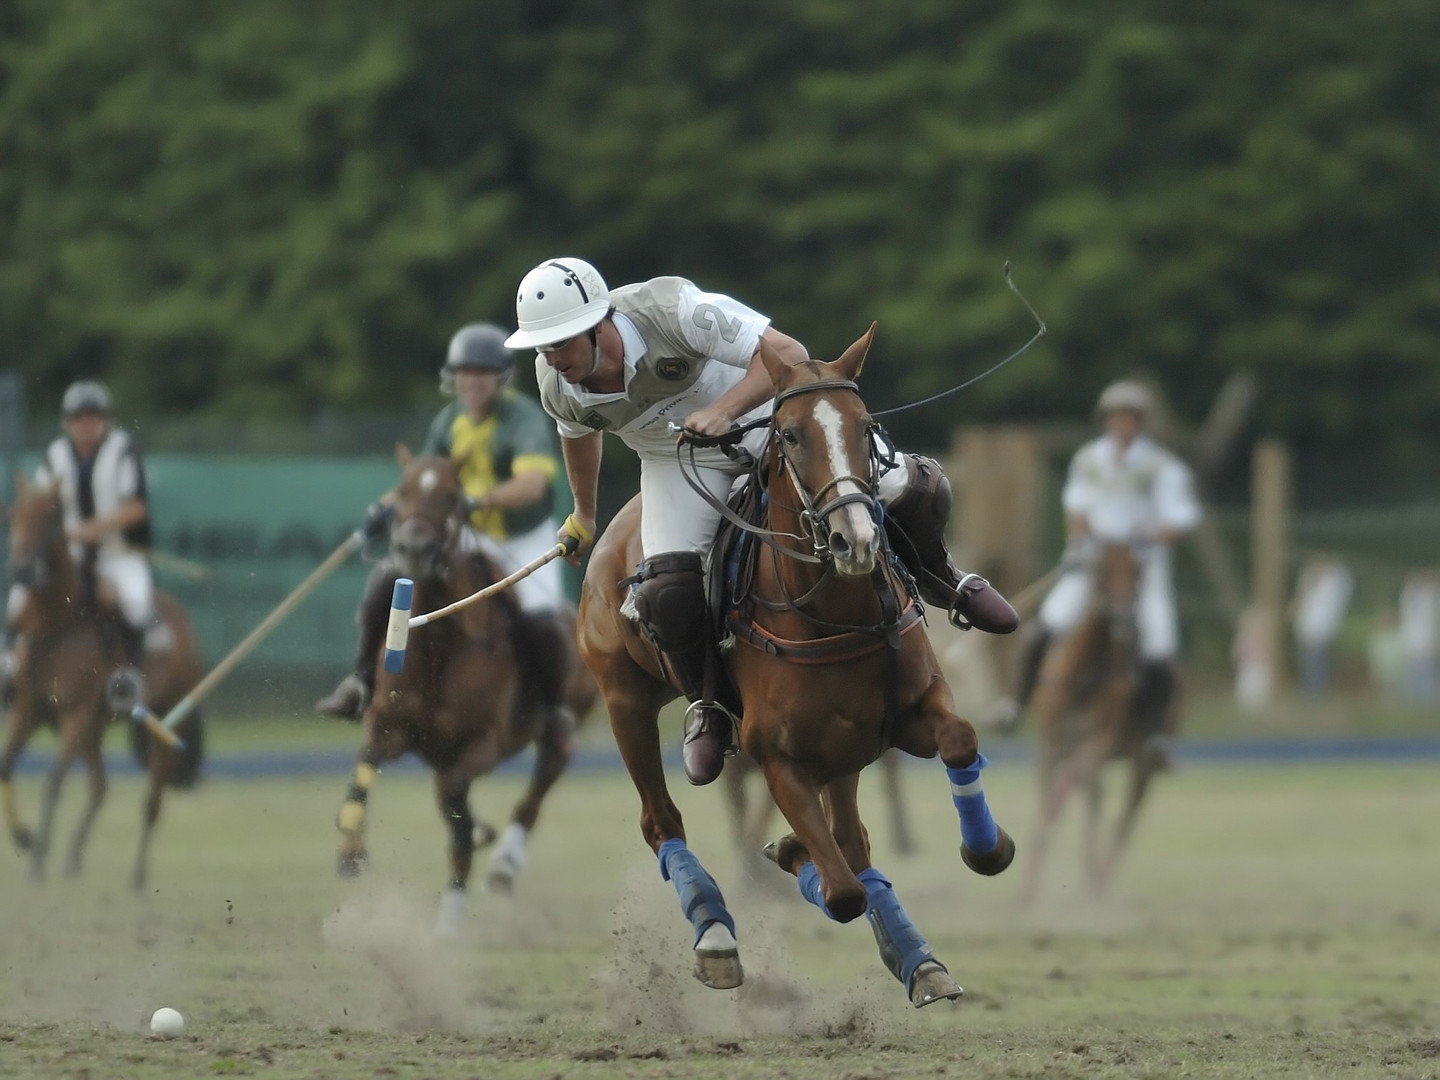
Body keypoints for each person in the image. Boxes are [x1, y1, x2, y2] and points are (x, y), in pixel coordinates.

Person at [503, 257, 1018, 787]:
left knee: (915, 488)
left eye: (563, 341)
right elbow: (579, 432)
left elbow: (790, 355)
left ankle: (945, 580)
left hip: (769, 420)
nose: (553, 356)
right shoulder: (555, 381)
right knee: (666, 595)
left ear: (599, 323)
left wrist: (725, 410)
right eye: (543, 346)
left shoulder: (672, 310)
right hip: (676, 458)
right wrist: (584, 516)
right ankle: (709, 704)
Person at [316, 323, 572, 720]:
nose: (473, 380)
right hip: (465, 536)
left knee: (542, 622)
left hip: (523, 537)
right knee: (386, 583)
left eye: (483, 372)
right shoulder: (449, 420)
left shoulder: (522, 419)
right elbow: (420, 480)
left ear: (501, 377)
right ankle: (362, 681)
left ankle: (554, 713)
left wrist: (480, 499)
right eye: (465, 372)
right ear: (453, 377)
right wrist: (384, 510)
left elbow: (532, 485)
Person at [993, 380, 1201, 757]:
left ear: (1140, 422)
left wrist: (1142, 539)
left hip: (1142, 571)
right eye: (1117, 417)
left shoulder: (1162, 467)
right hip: (1090, 565)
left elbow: (1178, 521)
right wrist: (1082, 541)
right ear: (1107, 420)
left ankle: (1157, 733)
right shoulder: (1088, 460)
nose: (1123, 424)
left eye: (1130, 417)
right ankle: (1016, 704)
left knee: (1159, 643)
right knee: (1047, 624)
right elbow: (1076, 510)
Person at [2, 381, 154, 709]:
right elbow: (40, 500)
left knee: (136, 601)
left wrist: (93, 528)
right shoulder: (56, 454)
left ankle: (127, 675)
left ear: (105, 420)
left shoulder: (123, 449)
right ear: (67, 422)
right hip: (70, 557)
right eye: (78, 417)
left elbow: (136, 507)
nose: (85, 424)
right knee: (19, 598)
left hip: (118, 554)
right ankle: (10, 665)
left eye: (92, 416)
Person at [1291, 552, 1354, 697]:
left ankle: (1317, 692)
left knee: (1317, 661)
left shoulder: (1335, 579)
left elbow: (1337, 598)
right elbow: (1302, 599)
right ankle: (1311, 691)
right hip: (1306, 627)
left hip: (1322, 627)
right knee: (1309, 661)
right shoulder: (1309, 577)